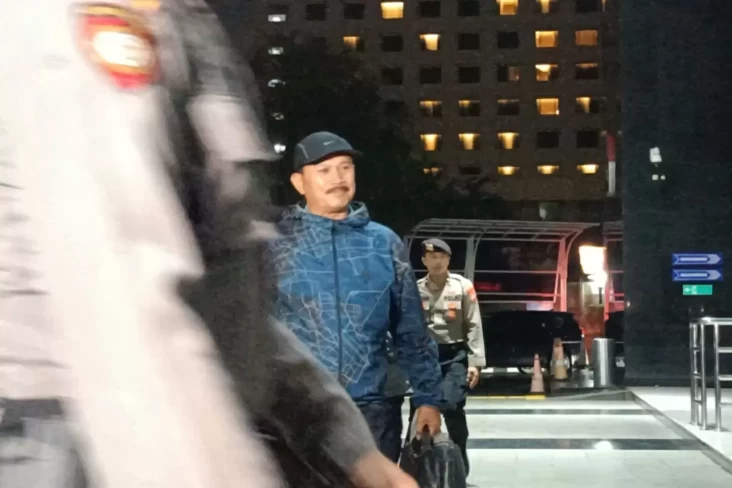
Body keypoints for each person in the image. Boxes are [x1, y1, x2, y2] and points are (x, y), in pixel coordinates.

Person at [0, 1, 417, 487]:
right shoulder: (74, 25)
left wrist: (346, 445)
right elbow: (120, 306)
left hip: (181, 419)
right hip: (96, 438)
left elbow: (223, 297)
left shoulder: (183, 24)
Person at [267, 131, 444, 463]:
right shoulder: (274, 245)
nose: (338, 178)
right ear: (298, 182)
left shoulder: (384, 243)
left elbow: (411, 331)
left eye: (345, 167)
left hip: (374, 414)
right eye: (324, 170)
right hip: (296, 414)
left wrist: (428, 399)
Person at [410, 238, 486, 476]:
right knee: (419, 410)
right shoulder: (415, 289)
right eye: (432, 257)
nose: (437, 262)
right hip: (425, 357)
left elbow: (473, 324)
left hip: (454, 355)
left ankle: (458, 463)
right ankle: (417, 467)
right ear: (424, 260)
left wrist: (475, 363)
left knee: (452, 406)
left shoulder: (463, 286)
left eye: (441, 257)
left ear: (448, 260)